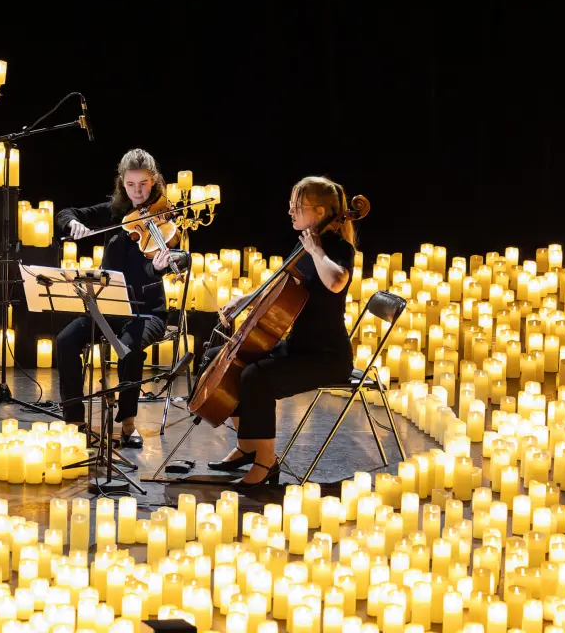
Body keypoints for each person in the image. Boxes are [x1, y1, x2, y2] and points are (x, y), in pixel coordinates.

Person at [200, 176, 367, 488]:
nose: (290, 212)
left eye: (297, 207)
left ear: (318, 212)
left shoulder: (337, 248)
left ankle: (266, 463)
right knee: (221, 359)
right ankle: (248, 446)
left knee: (256, 378)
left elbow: (336, 282)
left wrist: (317, 251)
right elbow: (281, 285)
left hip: (326, 356)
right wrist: (245, 299)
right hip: (298, 346)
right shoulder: (306, 241)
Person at [53, 148, 190, 448]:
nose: (138, 191)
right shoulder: (115, 211)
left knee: (130, 349)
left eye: (143, 184)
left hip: (148, 311)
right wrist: (70, 224)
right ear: (122, 183)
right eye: (131, 185)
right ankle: (75, 421)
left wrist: (156, 268)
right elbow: (67, 212)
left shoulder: (164, 217)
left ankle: (128, 421)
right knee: (65, 340)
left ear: (154, 182)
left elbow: (183, 258)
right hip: (109, 307)